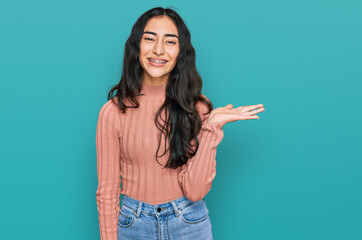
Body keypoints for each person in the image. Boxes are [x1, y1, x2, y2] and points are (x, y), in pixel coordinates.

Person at [95, 6, 265, 240]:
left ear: (180, 52)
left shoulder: (197, 108)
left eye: (170, 42)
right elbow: (107, 192)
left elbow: (195, 191)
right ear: (136, 46)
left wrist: (211, 129)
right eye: (150, 39)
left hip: (188, 222)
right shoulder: (113, 112)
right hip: (133, 225)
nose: (158, 50)